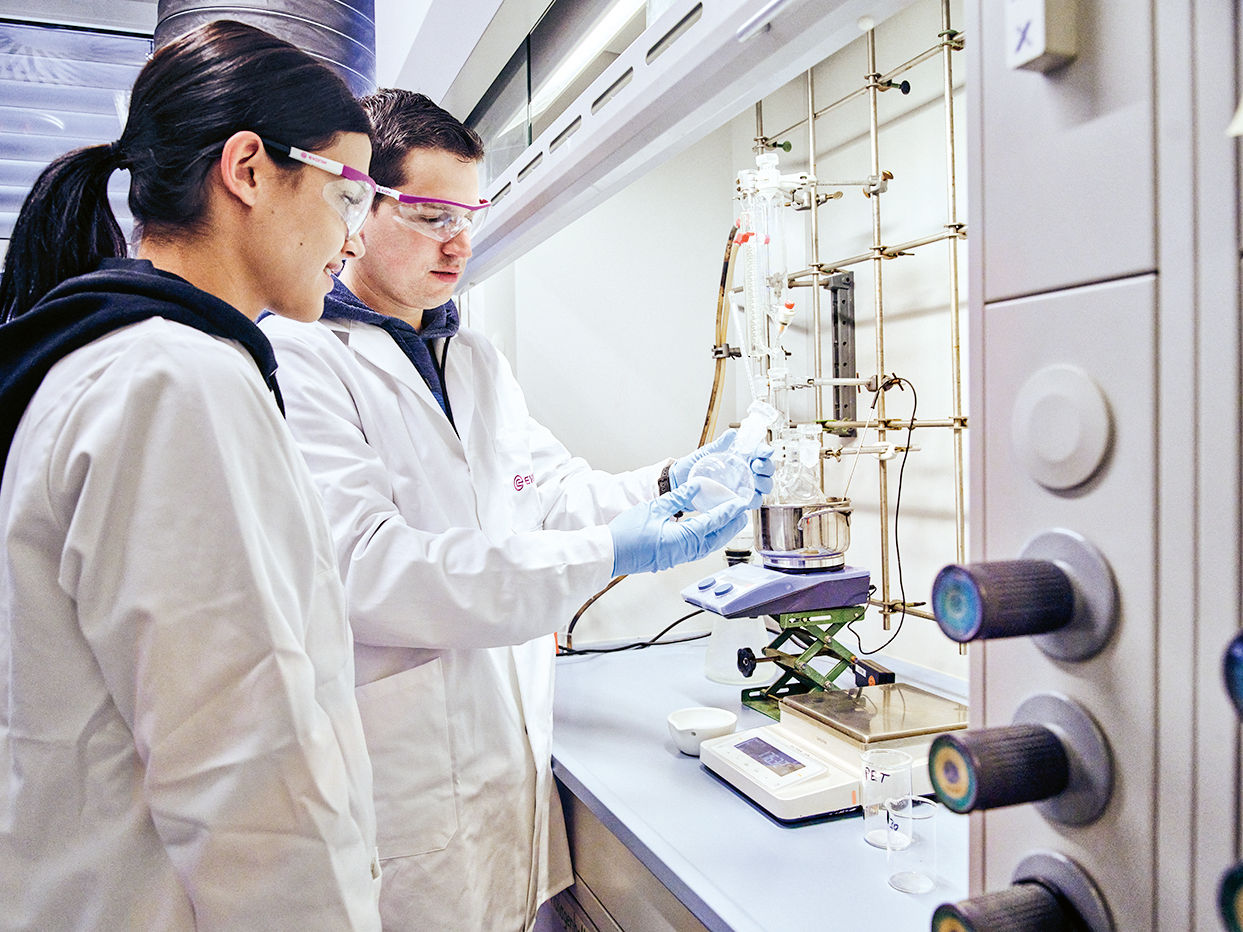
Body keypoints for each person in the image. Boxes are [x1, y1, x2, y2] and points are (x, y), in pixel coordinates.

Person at [259, 88, 771, 931]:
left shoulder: (472, 356)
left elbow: (553, 493)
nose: (459, 240)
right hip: (398, 781)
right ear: (357, 207)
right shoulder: (302, 359)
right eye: (428, 214)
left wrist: (677, 480)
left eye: (470, 213)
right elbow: (370, 570)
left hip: (501, 760)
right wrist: (610, 552)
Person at [0, 21, 385, 929]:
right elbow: (244, 766)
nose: (352, 241)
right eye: (348, 196)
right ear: (248, 169)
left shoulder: (104, 357)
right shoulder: (177, 380)